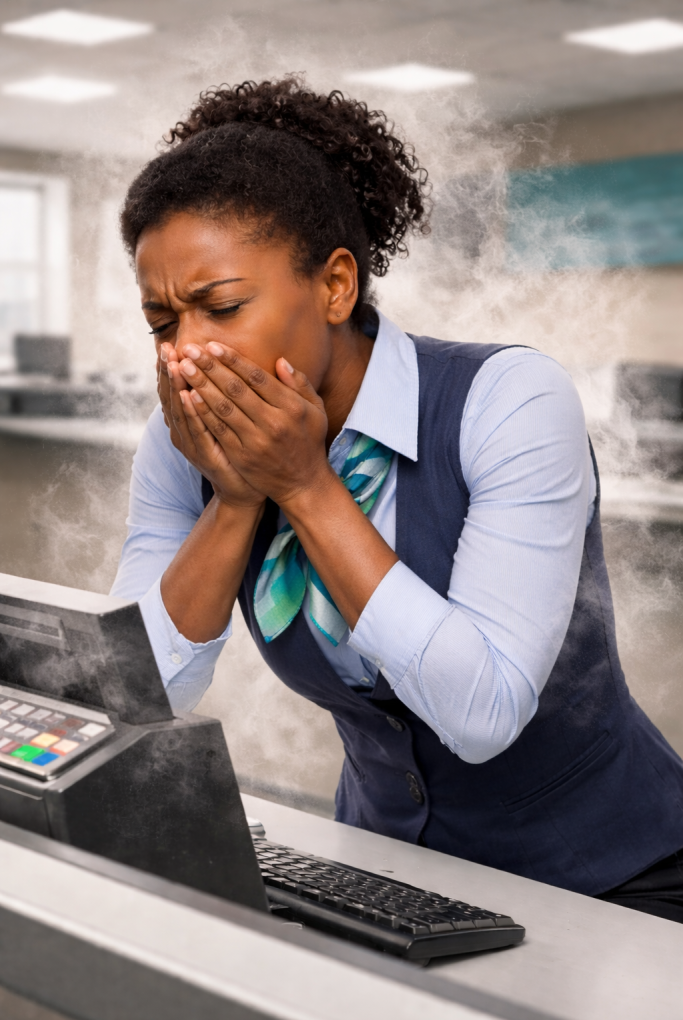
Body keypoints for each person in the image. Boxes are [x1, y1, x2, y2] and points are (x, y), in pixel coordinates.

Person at [112, 77, 683, 922]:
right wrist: (234, 501)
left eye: (222, 307)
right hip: (388, 873)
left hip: (612, 879)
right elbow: (138, 698)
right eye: (162, 323)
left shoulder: (508, 400)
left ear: (335, 286)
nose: (186, 352)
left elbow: (482, 711)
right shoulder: (184, 444)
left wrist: (304, 484)